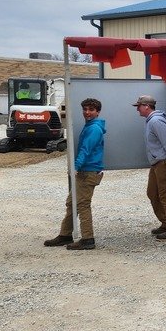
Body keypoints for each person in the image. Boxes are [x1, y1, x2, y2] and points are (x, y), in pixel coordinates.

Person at [44, 97, 105, 250]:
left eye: (91, 110)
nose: (87, 112)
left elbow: (86, 149)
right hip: (85, 171)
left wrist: (75, 167)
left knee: (82, 204)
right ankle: (65, 235)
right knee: (72, 203)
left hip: (88, 172)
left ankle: (88, 239)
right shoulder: (90, 126)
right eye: (85, 109)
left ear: (98, 112)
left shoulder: (94, 129)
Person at [133, 94, 166, 239]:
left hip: (164, 163)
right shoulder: (151, 121)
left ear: (147, 106)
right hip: (157, 163)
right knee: (152, 193)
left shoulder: (156, 121)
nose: (137, 110)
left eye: (139, 106)